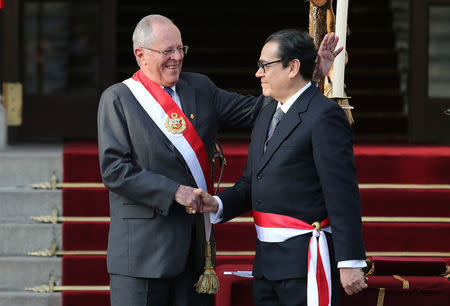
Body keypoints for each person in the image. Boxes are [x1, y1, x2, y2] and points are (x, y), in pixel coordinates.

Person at [97, 14, 340, 306]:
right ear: (141, 55)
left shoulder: (199, 88)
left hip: (197, 251)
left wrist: (306, 78)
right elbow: (115, 170)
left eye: (180, 49)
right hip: (142, 254)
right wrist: (174, 192)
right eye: (167, 51)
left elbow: (258, 111)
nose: (176, 57)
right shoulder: (118, 99)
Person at [195, 29, 367, 306]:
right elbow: (252, 182)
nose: (258, 73)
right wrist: (216, 203)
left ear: (293, 67)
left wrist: (349, 260)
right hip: (267, 262)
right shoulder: (267, 112)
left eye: (265, 65)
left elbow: (341, 193)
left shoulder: (324, 115)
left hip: (305, 261)